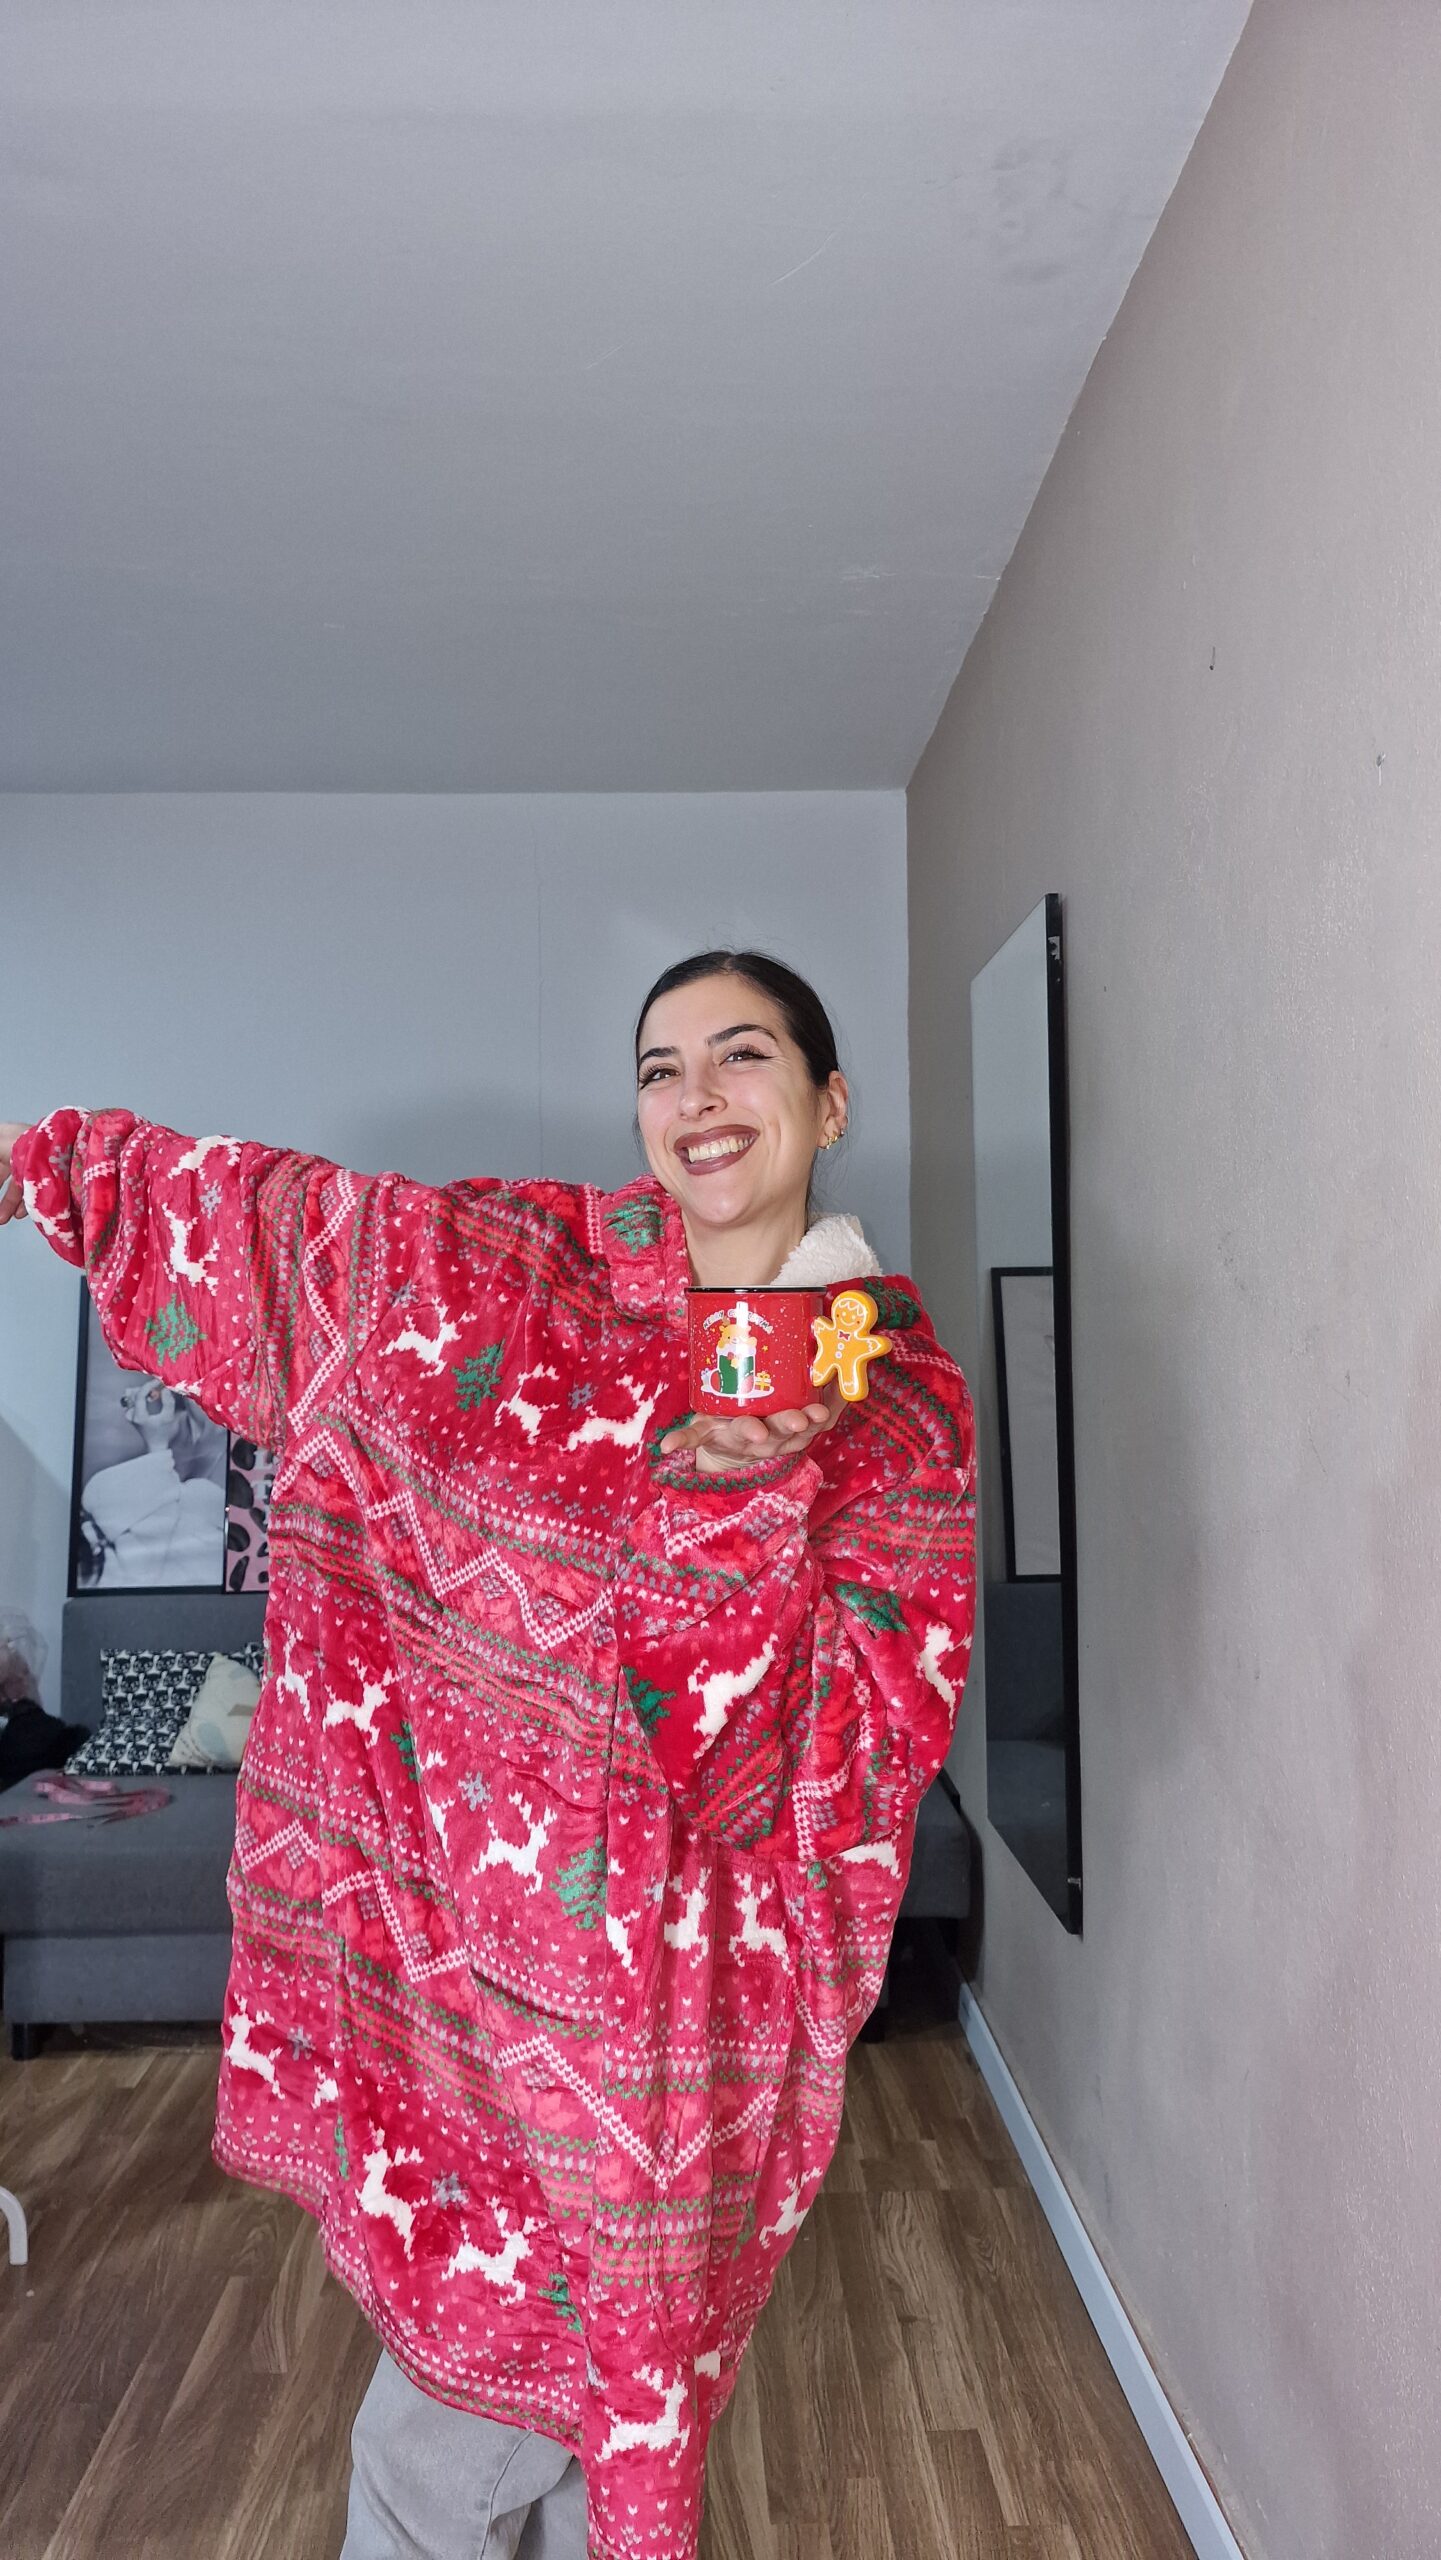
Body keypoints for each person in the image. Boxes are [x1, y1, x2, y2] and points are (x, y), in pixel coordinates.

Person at [0, 950, 976, 2560]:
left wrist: (734, 1505)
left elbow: (847, 1739)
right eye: (660, 1068)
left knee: (565, 2408)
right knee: (457, 2420)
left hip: (674, 2018)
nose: (696, 1096)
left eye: (741, 1055)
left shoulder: (890, 1396)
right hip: (464, 1974)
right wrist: (62, 1164)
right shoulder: (532, 1280)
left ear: (828, 1102)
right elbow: (313, 1232)